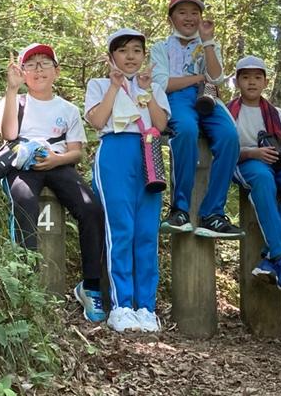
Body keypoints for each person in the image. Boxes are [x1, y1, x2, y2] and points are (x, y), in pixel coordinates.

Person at [0, 43, 105, 323]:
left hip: (58, 164)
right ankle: (25, 283)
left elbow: (76, 152)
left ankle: (90, 286)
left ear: (57, 71)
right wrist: (12, 90)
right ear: (22, 72)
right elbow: (8, 135)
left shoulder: (68, 109)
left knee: (91, 209)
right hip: (22, 165)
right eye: (31, 64)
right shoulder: (15, 101)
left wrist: (57, 160)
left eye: (45, 63)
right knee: (24, 202)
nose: (38, 69)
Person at [85, 29, 171, 333]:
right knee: (120, 229)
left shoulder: (153, 87)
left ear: (144, 55)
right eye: (122, 50)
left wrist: (146, 92)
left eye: (136, 50)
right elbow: (97, 121)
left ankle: (146, 307)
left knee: (147, 232)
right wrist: (114, 86)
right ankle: (121, 305)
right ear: (111, 57)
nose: (130, 56)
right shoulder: (98, 85)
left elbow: (161, 124)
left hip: (148, 154)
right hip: (115, 153)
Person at [150, 0, 242, 238]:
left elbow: (216, 78)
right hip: (176, 98)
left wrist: (208, 41)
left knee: (229, 136)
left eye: (194, 13)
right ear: (171, 18)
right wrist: (199, 77)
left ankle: (213, 213)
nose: (189, 18)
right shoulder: (161, 47)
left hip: (208, 98)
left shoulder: (208, 44)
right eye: (182, 12)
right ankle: (179, 209)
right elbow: (162, 83)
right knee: (186, 130)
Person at [227, 56, 281, 290]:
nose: (251, 82)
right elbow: (225, 149)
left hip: (277, 160)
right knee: (263, 179)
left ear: (265, 82)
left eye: (257, 77)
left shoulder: (276, 112)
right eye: (245, 77)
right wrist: (253, 153)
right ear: (237, 82)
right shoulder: (228, 112)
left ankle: (270, 258)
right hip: (245, 161)